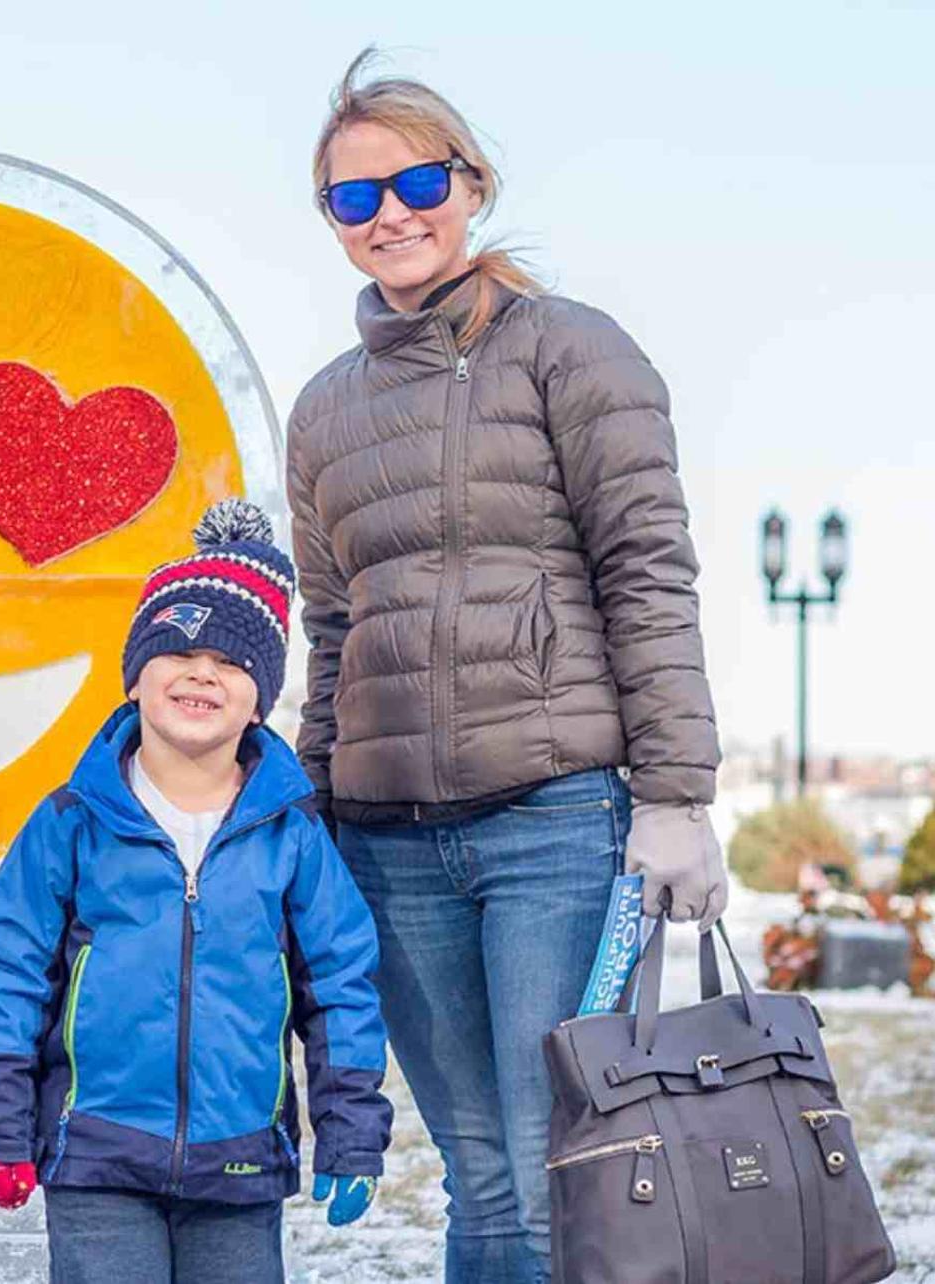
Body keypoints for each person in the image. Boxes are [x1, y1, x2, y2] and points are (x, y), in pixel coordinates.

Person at [284, 49, 727, 1282]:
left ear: (469, 181)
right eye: (352, 198)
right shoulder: (324, 408)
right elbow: (333, 632)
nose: (390, 215)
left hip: (555, 823)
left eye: (414, 179)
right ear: (332, 223)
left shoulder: (571, 352)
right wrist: (308, 822)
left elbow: (648, 570)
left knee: (554, 1170)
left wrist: (678, 796)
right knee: (478, 1174)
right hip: (388, 842)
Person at [0, 500, 393, 1284]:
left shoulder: (291, 835)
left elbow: (339, 985)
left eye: (229, 661)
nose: (201, 672)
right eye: (178, 651)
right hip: (95, 1154)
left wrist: (351, 1129)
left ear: (259, 694)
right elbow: (13, 975)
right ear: (134, 678)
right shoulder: (72, 822)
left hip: (239, 1166)